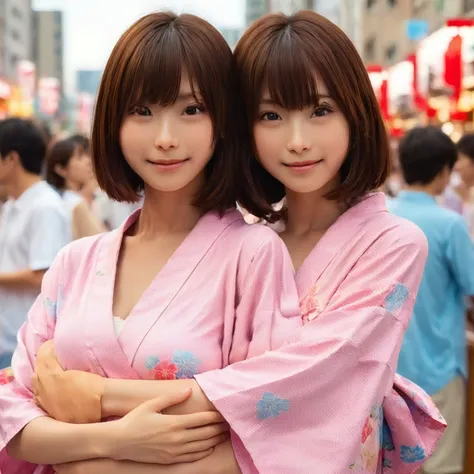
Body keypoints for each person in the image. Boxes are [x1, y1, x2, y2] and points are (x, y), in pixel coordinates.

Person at [26, 11, 445, 474]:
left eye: (321, 110)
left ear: (357, 113)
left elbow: (302, 389)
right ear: (241, 126)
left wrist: (95, 402)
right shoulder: (242, 235)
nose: (298, 141)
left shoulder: (390, 243)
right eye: (271, 116)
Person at [0, 12, 303, 474]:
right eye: (142, 111)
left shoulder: (253, 255)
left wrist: (81, 448)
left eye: (191, 109)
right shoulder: (75, 261)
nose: (165, 138)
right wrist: (116, 438)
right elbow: (14, 416)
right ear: (113, 124)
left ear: (222, 122)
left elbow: (265, 412)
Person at [389, 126, 474, 474]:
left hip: (391, 370)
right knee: (443, 466)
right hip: (439, 367)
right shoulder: (449, 224)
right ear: (443, 171)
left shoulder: (381, 217)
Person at [0, 118, 69, 370]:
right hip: (6, 335)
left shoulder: (44, 207)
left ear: (11, 159)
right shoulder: (11, 205)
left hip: (26, 343)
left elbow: (43, 275)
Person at [45, 137, 106, 239]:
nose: (88, 161)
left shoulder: (57, 199)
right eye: (79, 157)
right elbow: (101, 242)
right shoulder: (76, 204)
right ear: (61, 170)